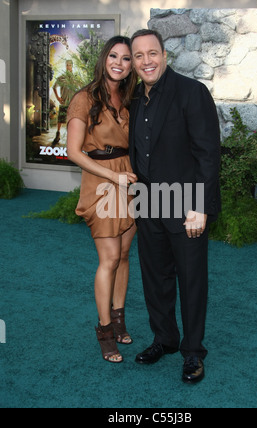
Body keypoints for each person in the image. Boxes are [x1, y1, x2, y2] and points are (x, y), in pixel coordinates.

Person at [129, 29, 221, 383]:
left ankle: (193, 352)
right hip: (149, 203)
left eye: (152, 53)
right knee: (155, 278)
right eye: (139, 56)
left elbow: (208, 155)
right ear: (135, 63)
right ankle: (164, 339)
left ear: (164, 55)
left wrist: (199, 206)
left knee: (191, 280)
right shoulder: (138, 98)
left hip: (186, 206)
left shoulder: (191, 92)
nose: (146, 61)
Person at [67, 36, 138, 364]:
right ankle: (105, 330)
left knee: (124, 255)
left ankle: (120, 319)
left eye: (126, 59)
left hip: (129, 179)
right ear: (104, 58)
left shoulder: (130, 97)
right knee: (109, 258)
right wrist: (114, 177)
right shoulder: (84, 98)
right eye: (114, 56)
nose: (119, 63)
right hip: (103, 180)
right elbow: (73, 152)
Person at [53, 60, 79, 146]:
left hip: (73, 103)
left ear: (72, 66)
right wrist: (58, 98)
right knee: (61, 119)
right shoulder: (61, 78)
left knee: (72, 121)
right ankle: (58, 134)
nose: (68, 67)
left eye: (70, 65)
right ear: (65, 66)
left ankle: (72, 137)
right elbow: (54, 87)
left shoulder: (76, 77)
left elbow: (82, 87)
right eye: (67, 65)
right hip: (64, 102)